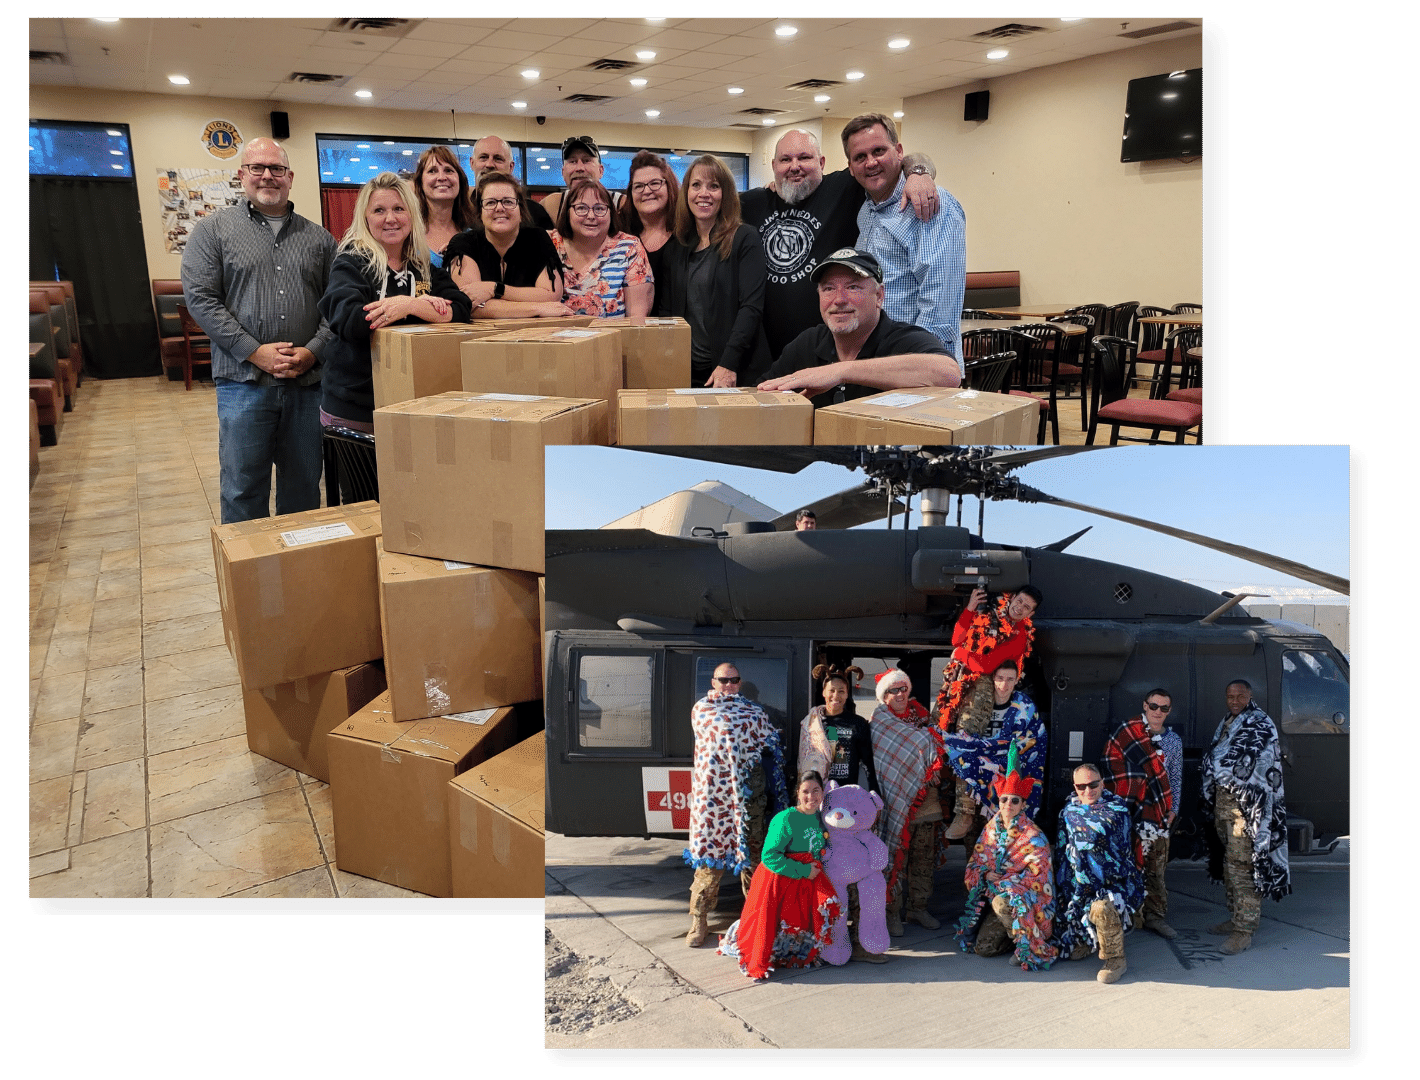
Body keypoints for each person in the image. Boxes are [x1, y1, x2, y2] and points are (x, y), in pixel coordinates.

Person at [180, 137, 334, 523]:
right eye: (257, 168)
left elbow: (337, 306)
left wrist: (313, 350)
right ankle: (251, 579)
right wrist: (254, 350)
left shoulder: (319, 239)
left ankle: (298, 574)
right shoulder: (212, 232)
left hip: (307, 384)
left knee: (303, 486)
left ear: (290, 177)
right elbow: (202, 299)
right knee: (242, 487)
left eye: (277, 169)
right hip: (243, 384)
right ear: (242, 175)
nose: (268, 176)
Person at [740, 128, 941, 356]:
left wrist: (919, 174)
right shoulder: (753, 203)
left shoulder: (843, 187)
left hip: (832, 348)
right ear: (775, 165)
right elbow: (709, 202)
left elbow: (902, 160)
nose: (794, 166)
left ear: (822, 162)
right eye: (786, 160)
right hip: (766, 351)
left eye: (804, 157)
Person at [317, 172, 470, 432]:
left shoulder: (422, 268)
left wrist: (410, 305)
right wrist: (429, 309)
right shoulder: (351, 263)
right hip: (357, 408)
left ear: (411, 215)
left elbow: (461, 309)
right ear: (365, 218)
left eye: (399, 209)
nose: (391, 219)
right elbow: (352, 321)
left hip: (413, 402)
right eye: (379, 210)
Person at [756, 249, 959, 406]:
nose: (839, 300)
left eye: (853, 288)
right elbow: (761, 394)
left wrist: (840, 371)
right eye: (828, 289)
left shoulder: (902, 338)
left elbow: (949, 373)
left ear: (879, 296)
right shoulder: (808, 343)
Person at [841, 113, 967, 362]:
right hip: (877, 360)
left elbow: (939, 304)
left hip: (918, 363)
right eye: (860, 157)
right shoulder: (866, 211)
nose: (870, 162)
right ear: (851, 168)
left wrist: (920, 362)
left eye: (878, 151)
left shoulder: (929, 203)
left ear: (899, 151)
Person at [684, 663, 789, 947]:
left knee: (754, 863)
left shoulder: (755, 713)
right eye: (724, 680)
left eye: (734, 680)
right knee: (709, 862)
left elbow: (770, 748)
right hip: (713, 802)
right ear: (713, 681)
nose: (729, 685)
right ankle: (699, 920)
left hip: (748, 802)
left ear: (740, 682)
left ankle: (758, 918)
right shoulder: (702, 709)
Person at [652, 154, 771, 387]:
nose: (703, 193)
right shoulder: (676, 248)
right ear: (686, 192)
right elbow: (668, 314)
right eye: (696, 185)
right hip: (688, 371)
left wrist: (728, 364)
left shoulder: (744, 238)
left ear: (725, 194)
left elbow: (751, 308)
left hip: (734, 369)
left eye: (713, 186)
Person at [935, 585, 1041, 839]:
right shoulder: (987, 616)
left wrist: (961, 655)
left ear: (1030, 613)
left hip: (982, 687)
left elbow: (987, 665)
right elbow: (957, 638)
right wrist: (970, 608)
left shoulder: (1018, 635)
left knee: (966, 742)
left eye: (1027, 607)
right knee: (936, 735)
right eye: (1020, 601)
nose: (1020, 608)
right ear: (1012, 598)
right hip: (957, 684)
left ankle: (965, 811)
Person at [716, 772, 842, 982]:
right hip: (777, 882)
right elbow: (769, 856)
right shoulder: (786, 819)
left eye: (816, 790)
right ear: (797, 793)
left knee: (792, 928)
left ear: (823, 793)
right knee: (768, 928)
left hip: (802, 883)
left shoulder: (821, 818)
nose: (811, 796)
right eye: (805, 791)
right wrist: (803, 871)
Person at [1201, 679, 1290, 955]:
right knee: (1230, 868)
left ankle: (1244, 931)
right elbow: (1220, 755)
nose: (1235, 700)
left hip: (1247, 812)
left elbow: (1246, 764)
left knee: (1242, 869)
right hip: (1225, 809)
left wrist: (1215, 764)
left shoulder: (1258, 723)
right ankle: (1235, 916)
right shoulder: (1228, 721)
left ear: (1250, 695)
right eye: (1230, 696)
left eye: (1240, 695)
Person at [954, 743, 1058, 970]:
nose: (1008, 804)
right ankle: (1016, 937)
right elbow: (975, 864)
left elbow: (1039, 879)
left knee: (1003, 902)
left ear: (1023, 804)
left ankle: (1027, 943)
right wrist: (985, 873)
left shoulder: (1034, 836)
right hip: (992, 896)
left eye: (1014, 800)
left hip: (1019, 902)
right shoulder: (989, 829)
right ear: (998, 801)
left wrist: (1004, 882)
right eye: (1004, 800)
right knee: (984, 949)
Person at [938, 659, 1048, 845]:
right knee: (976, 840)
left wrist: (998, 750)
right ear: (993, 679)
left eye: (1010, 679)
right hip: (978, 778)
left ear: (1016, 680)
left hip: (1007, 775)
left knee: (1000, 838)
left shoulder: (1024, 706)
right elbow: (959, 732)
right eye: (1000, 678)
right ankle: (965, 817)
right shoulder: (977, 703)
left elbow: (1034, 739)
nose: (1004, 685)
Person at [868, 668, 943, 937]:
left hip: (927, 802)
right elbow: (882, 764)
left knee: (923, 858)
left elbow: (938, 746)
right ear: (883, 695)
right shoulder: (880, 721)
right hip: (895, 799)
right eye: (892, 690)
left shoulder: (924, 716)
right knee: (895, 856)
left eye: (903, 689)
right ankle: (892, 912)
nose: (899, 694)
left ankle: (918, 908)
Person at [1102, 687, 1183, 939]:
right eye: (1154, 706)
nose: (1158, 712)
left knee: (1156, 869)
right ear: (1145, 706)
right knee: (1128, 864)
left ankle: (1155, 917)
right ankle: (1130, 916)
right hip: (1129, 812)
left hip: (1158, 812)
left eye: (1164, 708)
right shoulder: (1127, 732)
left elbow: (1175, 778)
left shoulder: (1173, 741)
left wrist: (1173, 809)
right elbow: (1111, 768)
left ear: (1169, 711)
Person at [1055, 764, 1145, 984]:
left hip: (1112, 881)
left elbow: (1120, 852)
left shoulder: (1118, 810)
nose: (1088, 790)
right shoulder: (1068, 812)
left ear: (1102, 782)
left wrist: (1095, 877)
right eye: (1081, 786)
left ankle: (1115, 959)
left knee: (1102, 907)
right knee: (1071, 903)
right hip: (1078, 881)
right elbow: (1062, 847)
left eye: (1093, 784)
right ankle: (1085, 941)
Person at [443, 171, 571, 320]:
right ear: (480, 212)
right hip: (479, 338)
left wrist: (494, 289)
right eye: (490, 202)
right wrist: (537, 307)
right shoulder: (463, 243)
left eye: (508, 202)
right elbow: (470, 304)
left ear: (521, 210)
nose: (499, 208)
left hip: (532, 336)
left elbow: (551, 295)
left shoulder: (538, 239)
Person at [550, 178, 653, 319]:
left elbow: (637, 318)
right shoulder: (548, 243)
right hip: (554, 339)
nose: (591, 216)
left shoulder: (629, 247)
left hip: (614, 340)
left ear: (611, 212)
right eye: (581, 208)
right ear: (568, 211)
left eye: (599, 208)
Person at [469, 135, 555, 229]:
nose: (489, 164)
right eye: (483, 157)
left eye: (498, 159)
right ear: (472, 163)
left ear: (511, 167)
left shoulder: (533, 212)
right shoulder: (460, 210)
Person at [620, 150, 679, 285]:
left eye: (654, 183)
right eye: (639, 186)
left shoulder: (687, 233)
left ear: (669, 186)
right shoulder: (620, 233)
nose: (647, 191)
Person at [412, 145, 475, 269]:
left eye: (448, 170)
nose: (441, 177)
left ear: (460, 181)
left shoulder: (473, 237)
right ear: (420, 183)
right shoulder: (407, 234)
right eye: (432, 171)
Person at [539, 135, 615, 223]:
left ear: (601, 170)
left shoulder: (620, 205)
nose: (579, 168)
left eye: (586, 161)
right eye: (572, 161)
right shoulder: (551, 205)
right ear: (563, 172)